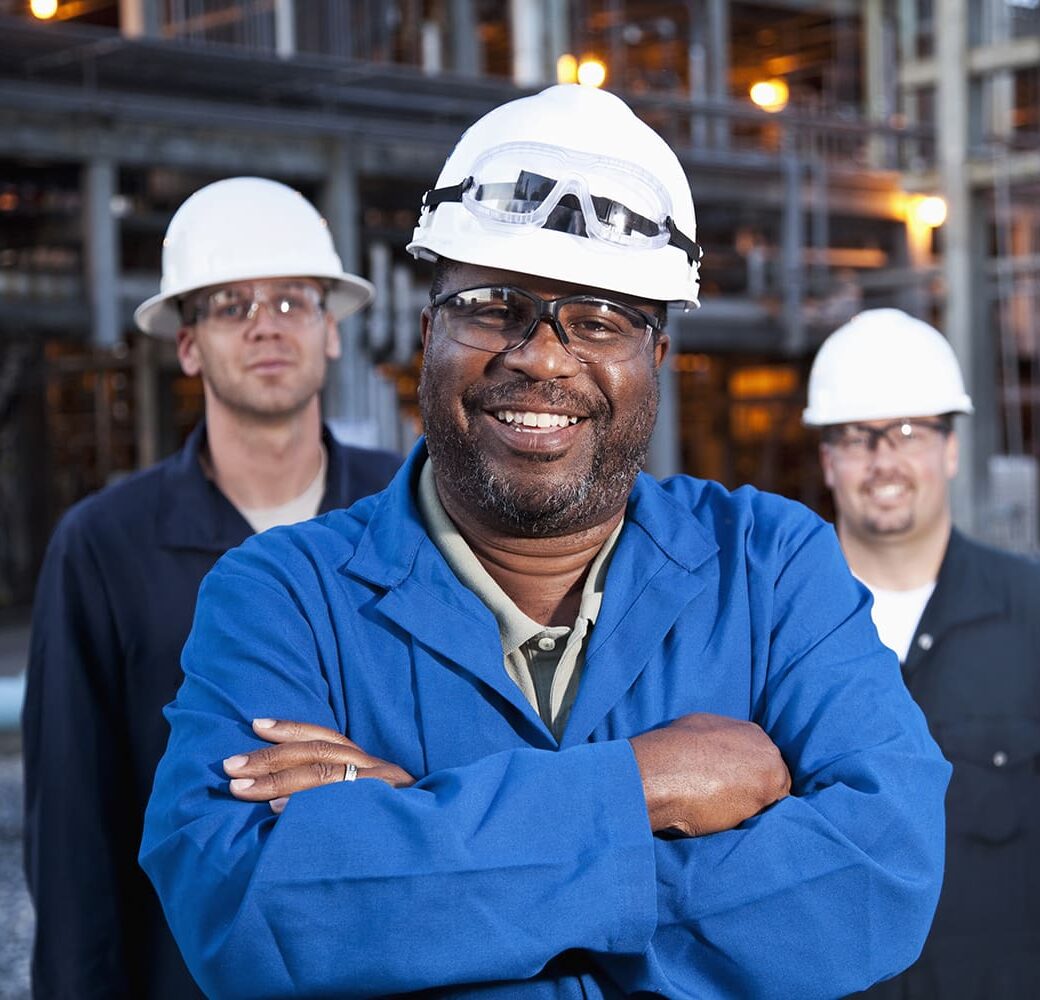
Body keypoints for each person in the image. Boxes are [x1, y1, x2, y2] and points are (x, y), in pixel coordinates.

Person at [139, 85, 949, 999]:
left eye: (601, 320)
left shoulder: (769, 565)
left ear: (658, 360)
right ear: (427, 331)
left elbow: (882, 876)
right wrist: (640, 787)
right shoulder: (282, 597)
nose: (543, 356)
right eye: (493, 306)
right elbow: (249, 908)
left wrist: (410, 844)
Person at [22, 176, 401, 999]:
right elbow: (74, 833)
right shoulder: (105, 545)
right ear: (188, 343)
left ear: (332, 330)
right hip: (190, 975)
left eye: (293, 302)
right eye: (231, 305)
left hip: (393, 963)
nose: (266, 325)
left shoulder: (410, 514)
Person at [803, 308, 1040, 999]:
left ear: (952, 449)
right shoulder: (777, 627)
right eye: (859, 436)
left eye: (909, 432)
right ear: (828, 458)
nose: (884, 461)